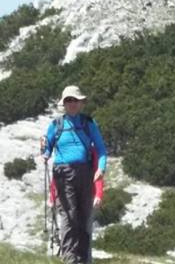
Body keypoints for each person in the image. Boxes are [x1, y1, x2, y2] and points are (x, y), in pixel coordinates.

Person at [42, 86, 107, 264]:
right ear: (64, 104)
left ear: (81, 103)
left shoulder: (88, 123)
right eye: (68, 100)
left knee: (84, 217)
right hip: (63, 173)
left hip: (85, 173)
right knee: (69, 215)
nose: (72, 103)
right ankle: (70, 259)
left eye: (75, 100)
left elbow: (101, 149)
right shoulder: (55, 125)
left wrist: (101, 169)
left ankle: (83, 259)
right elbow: (47, 145)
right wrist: (45, 153)